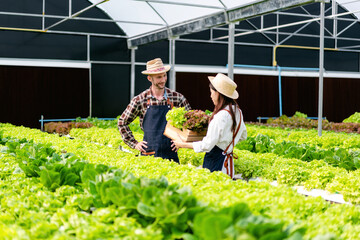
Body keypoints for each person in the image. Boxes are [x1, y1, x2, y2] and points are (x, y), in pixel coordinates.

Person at [173, 73, 247, 178]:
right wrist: (227, 143)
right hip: (227, 161)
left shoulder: (220, 116)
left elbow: (206, 146)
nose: (210, 96)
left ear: (219, 93)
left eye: (211, 92)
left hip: (216, 163)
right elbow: (243, 136)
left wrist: (181, 144)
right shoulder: (238, 111)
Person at [118, 58, 191, 163]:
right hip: (148, 153)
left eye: (164, 75)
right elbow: (122, 122)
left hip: (171, 153)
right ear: (149, 78)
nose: (163, 80)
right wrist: (134, 143)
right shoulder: (140, 100)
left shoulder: (177, 98)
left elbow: (189, 122)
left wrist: (181, 140)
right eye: (159, 77)